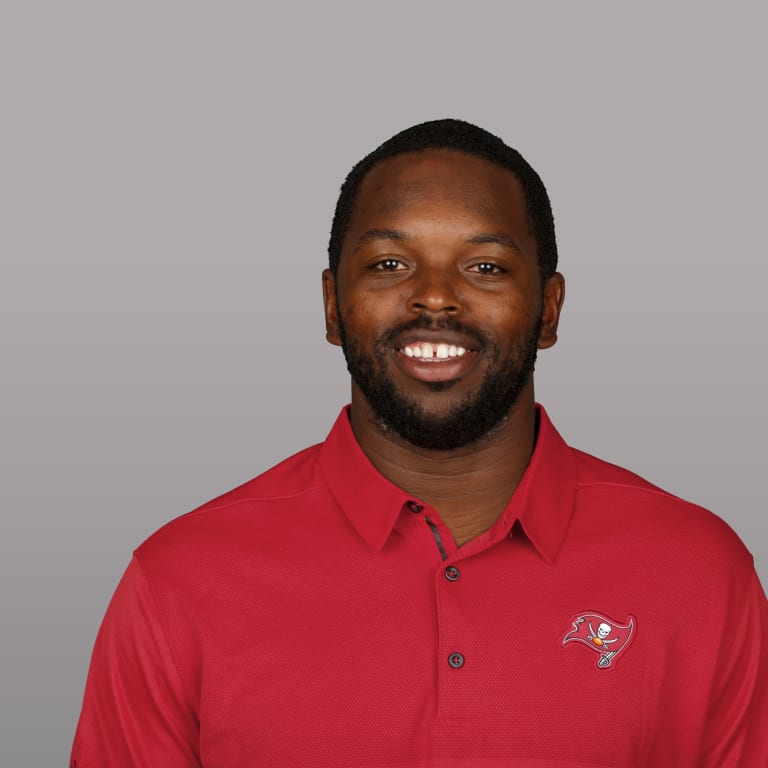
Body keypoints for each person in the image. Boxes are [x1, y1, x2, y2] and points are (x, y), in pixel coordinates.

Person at [70, 119, 768, 767]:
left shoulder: (699, 572)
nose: (435, 298)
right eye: (389, 265)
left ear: (550, 310)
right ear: (332, 307)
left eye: (486, 267)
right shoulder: (179, 582)